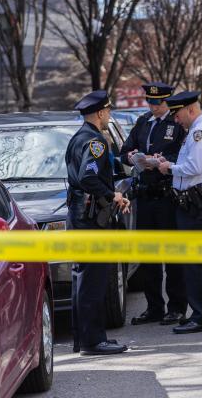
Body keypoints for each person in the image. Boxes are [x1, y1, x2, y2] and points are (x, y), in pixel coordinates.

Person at [65, 90, 130, 355]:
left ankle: (84, 339)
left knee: (83, 279)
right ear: (101, 113)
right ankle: (93, 342)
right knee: (93, 281)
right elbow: (88, 178)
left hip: (79, 216)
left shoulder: (76, 138)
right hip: (91, 221)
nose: (109, 116)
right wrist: (112, 194)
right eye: (108, 112)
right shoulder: (95, 142)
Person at [120, 82, 188, 327]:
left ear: (167, 102)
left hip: (167, 195)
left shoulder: (176, 124)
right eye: (149, 101)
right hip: (146, 195)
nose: (153, 106)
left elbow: (184, 155)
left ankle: (177, 307)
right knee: (149, 256)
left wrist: (162, 160)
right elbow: (124, 150)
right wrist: (131, 156)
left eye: (157, 102)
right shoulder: (143, 122)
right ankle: (154, 307)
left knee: (172, 255)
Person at [158, 91, 202, 334]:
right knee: (194, 263)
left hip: (200, 204)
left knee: (199, 263)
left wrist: (168, 167)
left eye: (177, 114)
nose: (176, 120)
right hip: (194, 203)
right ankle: (199, 312)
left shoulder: (200, 131)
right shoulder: (197, 129)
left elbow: (194, 167)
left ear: (190, 110)